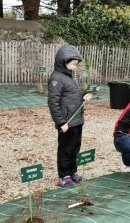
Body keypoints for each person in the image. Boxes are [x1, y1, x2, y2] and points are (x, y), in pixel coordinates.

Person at [48, 44, 93, 187]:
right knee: (65, 149)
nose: (74, 67)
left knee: (75, 147)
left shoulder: (71, 77)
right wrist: (60, 122)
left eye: (76, 65)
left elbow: (74, 96)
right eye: (73, 64)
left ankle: (73, 172)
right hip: (67, 122)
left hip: (77, 120)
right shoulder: (56, 79)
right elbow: (53, 102)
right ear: (63, 61)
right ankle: (63, 176)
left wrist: (84, 95)